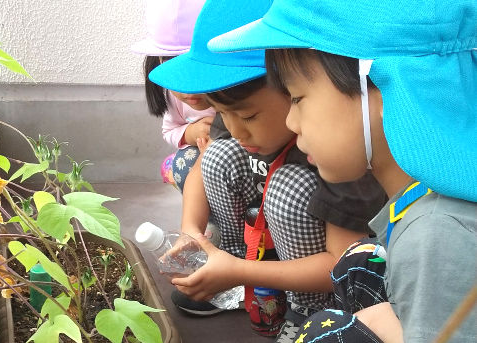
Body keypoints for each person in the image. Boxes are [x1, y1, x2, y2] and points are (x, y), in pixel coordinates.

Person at [208, 0, 477, 341]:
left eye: (297, 98)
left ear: (379, 87)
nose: (292, 121)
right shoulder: (430, 189)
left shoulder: (437, 236)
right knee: (357, 265)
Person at [149, 0, 388, 340]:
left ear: (292, 90)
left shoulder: (336, 153)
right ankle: (230, 264)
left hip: (327, 276)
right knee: (218, 155)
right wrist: (193, 234)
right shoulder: (238, 119)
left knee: (288, 187)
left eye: (248, 116)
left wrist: (241, 271)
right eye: (221, 113)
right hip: (268, 244)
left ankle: (308, 307)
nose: (236, 129)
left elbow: (340, 261)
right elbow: (203, 170)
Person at [131, 0, 216, 191]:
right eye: (175, 73)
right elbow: (169, 131)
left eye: (197, 71)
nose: (187, 90)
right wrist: (192, 133)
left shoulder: (238, 91)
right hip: (201, 157)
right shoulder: (173, 95)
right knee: (179, 165)